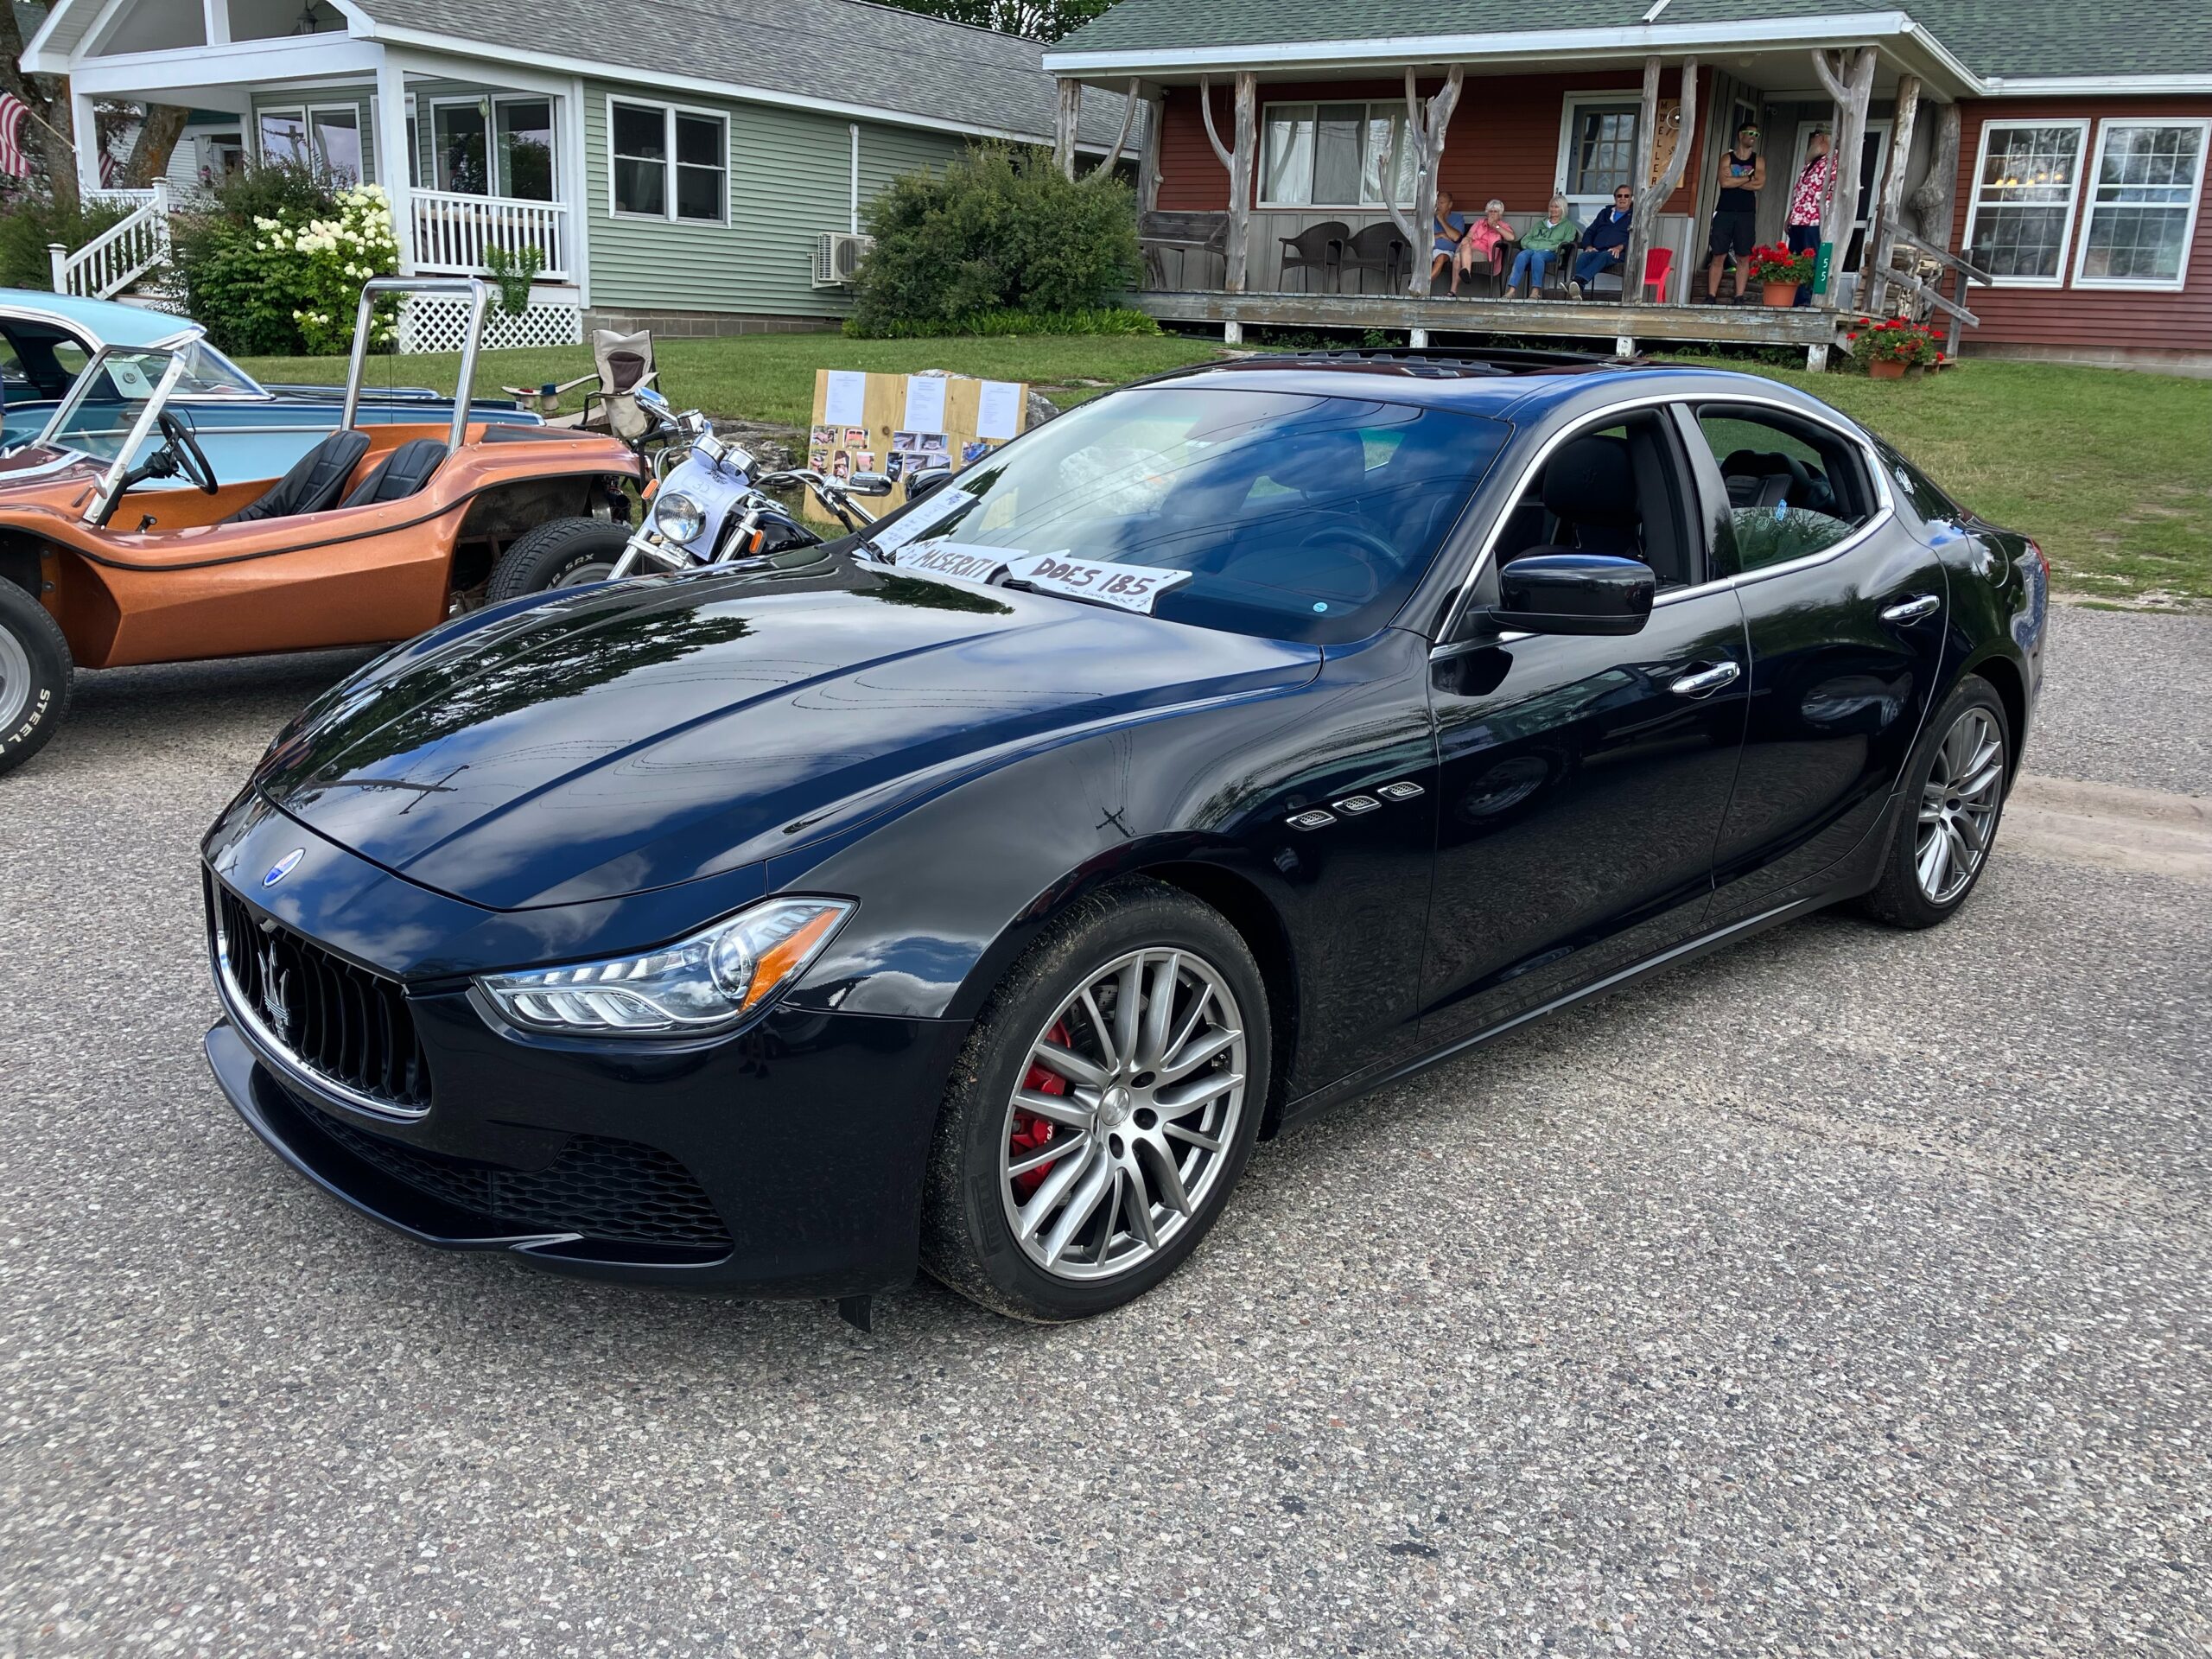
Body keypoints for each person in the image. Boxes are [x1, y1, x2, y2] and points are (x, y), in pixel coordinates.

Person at [1706, 122, 1766, 302]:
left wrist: (1735, 179)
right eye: (1750, 133)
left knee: (1743, 255)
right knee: (1718, 254)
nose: (1753, 138)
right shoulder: (1727, 158)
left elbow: (1760, 184)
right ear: (1741, 135)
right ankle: (1711, 295)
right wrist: (1748, 177)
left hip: (1746, 213)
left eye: (1756, 135)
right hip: (1724, 210)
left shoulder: (1758, 160)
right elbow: (1724, 183)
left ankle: (1739, 296)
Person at [1785, 130, 1833, 308]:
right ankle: (1794, 298)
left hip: (1815, 220)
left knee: (1811, 259)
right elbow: (1801, 191)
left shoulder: (1834, 162)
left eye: (1813, 138)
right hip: (1799, 219)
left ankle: (1808, 299)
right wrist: (1791, 215)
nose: (1811, 143)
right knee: (1795, 260)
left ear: (1821, 139)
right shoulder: (1811, 163)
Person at [1570, 185, 1635, 299]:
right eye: (1619, 196)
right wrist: (1589, 246)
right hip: (1598, 250)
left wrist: (1621, 246)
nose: (1622, 198)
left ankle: (1577, 281)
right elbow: (1590, 231)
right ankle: (1577, 292)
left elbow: (1637, 237)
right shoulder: (1605, 213)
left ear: (1631, 199)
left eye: (1626, 196)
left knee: (1605, 255)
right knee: (1584, 256)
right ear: (1615, 198)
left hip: (1619, 253)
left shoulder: (1634, 216)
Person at [1504, 196, 1577, 298]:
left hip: (1552, 253)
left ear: (1563, 209)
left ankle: (1535, 291)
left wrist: (1548, 247)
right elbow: (1525, 240)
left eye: (1556, 207)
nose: (1553, 209)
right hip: (1532, 249)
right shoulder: (1540, 224)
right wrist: (1533, 246)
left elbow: (1567, 243)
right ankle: (1511, 290)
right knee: (1521, 255)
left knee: (1538, 256)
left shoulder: (1568, 226)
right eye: (1551, 206)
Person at [1454, 199, 1516, 290]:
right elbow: (1469, 236)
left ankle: (1453, 289)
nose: (1492, 214)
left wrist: (1495, 226)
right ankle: (1466, 271)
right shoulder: (1479, 223)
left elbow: (1511, 238)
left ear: (1500, 214)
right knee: (1465, 245)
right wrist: (1467, 239)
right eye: (1490, 211)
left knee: (1458, 257)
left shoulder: (1503, 225)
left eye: (1495, 212)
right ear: (1487, 213)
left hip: (1486, 254)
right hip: (1469, 249)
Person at [1429, 190, 1471, 294]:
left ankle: (1424, 282)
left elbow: (1456, 237)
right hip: (1428, 250)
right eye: (1437, 202)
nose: (1438, 205)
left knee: (1441, 257)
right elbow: (1422, 236)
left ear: (1450, 205)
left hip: (1448, 252)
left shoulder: (1457, 218)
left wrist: (1441, 220)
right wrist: (1440, 235)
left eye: (1442, 203)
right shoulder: (1430, 218)